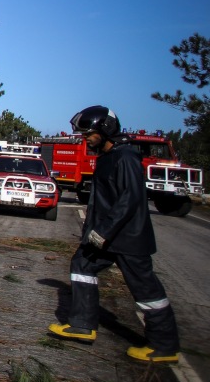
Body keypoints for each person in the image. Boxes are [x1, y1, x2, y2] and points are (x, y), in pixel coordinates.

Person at [47, 105, 181, 363]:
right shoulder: (108, 156)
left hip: (128, 239)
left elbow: (129, 200)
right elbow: (100, 202)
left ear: (105, 129)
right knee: (81, 264)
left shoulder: (126, 158)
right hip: (106, 237)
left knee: (146, 290)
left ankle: (164, 346)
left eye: (89, 133)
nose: (85, 138)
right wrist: (91, 232)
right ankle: (82, 325)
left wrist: (103, 231)